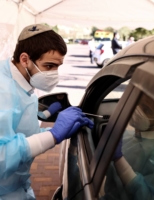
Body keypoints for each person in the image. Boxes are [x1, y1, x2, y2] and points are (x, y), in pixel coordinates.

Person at [0, 24, 94, 200]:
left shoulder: (21, 82)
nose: (54, 74)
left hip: (15, 187)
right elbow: (2, 156)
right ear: (25, 59)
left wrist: (54, 132)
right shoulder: (3, 89)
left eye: (57, 66)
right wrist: (54, 135)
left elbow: (20, 137)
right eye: (49, 66)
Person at [102, 94, 154, 200]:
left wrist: (119, 160)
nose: (137, 110)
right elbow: (110, 172)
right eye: (137, 103)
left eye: (146, 109)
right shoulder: (132, 136)